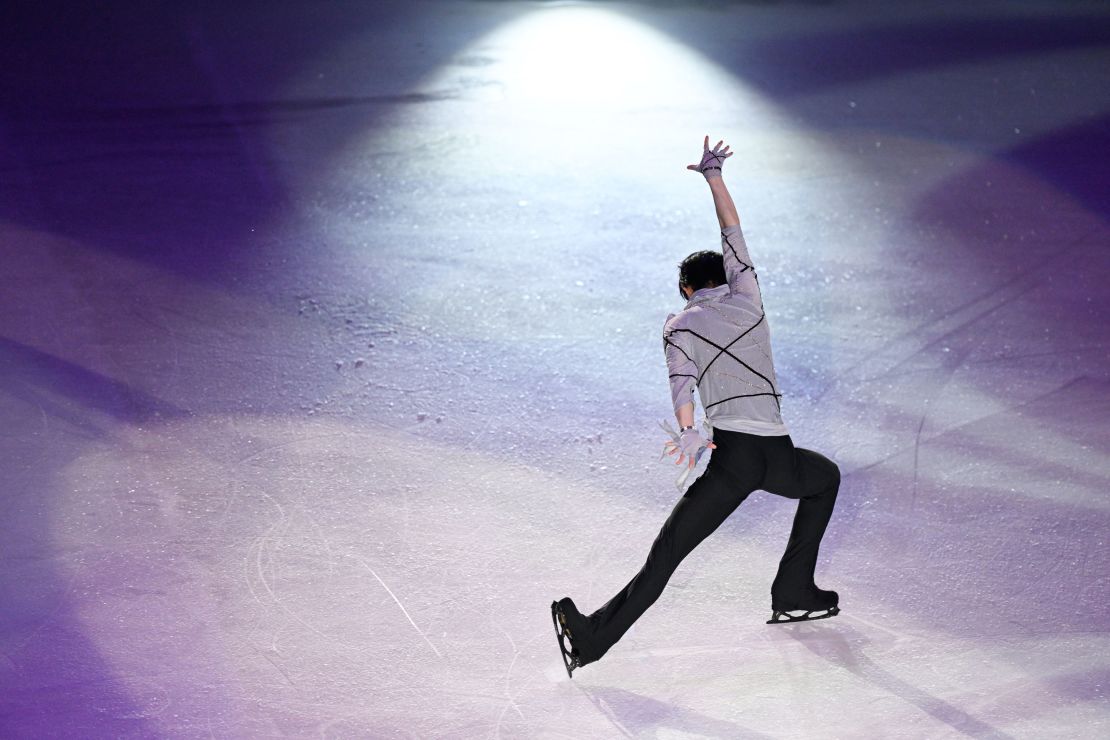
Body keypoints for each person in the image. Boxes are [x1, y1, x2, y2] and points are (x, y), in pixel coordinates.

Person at [551, 135, 843, 679]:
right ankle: (793, 587)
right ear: (727, 279)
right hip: (777, 454)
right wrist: (715, 178)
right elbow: (733, 233)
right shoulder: (749, 298)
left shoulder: (680, 324)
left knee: (667, 555)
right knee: (824, 477)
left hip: (731, 461)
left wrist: (689, 431)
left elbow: (681, 385)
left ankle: (592, 638)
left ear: (685, 288)